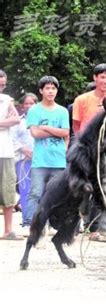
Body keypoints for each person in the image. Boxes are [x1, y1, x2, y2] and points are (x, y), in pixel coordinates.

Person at [73, 63, 106, 242]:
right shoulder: (82, 100)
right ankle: (82, 221)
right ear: (95, 78)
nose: (105, 81)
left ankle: (99, 229)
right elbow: (77, 127)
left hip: (105, 153)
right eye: (102, 77)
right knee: (84, 189)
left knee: (104, 189)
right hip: (86, 151)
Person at [23, 76, 69, 236]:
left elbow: (65, 132)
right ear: (41, 90)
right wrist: (55, 131)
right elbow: (34, 133)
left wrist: (47, 127)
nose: (51, 91)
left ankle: (50, 224)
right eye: (47, 88)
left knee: (56, 195)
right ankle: (29, 223)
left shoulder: (62, 111)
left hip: (58, 161)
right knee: (35, 192)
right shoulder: (34, 110)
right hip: (40, 161)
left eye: (53, 88)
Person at [0, 69, 22, 240]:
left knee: (8, 189)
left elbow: (16, 119)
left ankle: (8, 230)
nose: (1, 87)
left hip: (6, 151)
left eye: (3, 84)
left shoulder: (7, 100)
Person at [12, 93, 38, 228]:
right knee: (25, 190)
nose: (28, 106)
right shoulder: (19, 121)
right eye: (26, 103)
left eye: (31, 103)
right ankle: (28, 221)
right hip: (23, 161)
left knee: (41, 190)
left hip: (40, 159)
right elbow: (13, 139)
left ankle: (44, 221)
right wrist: (24, 149)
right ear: (22, 106)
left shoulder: (41, 120)